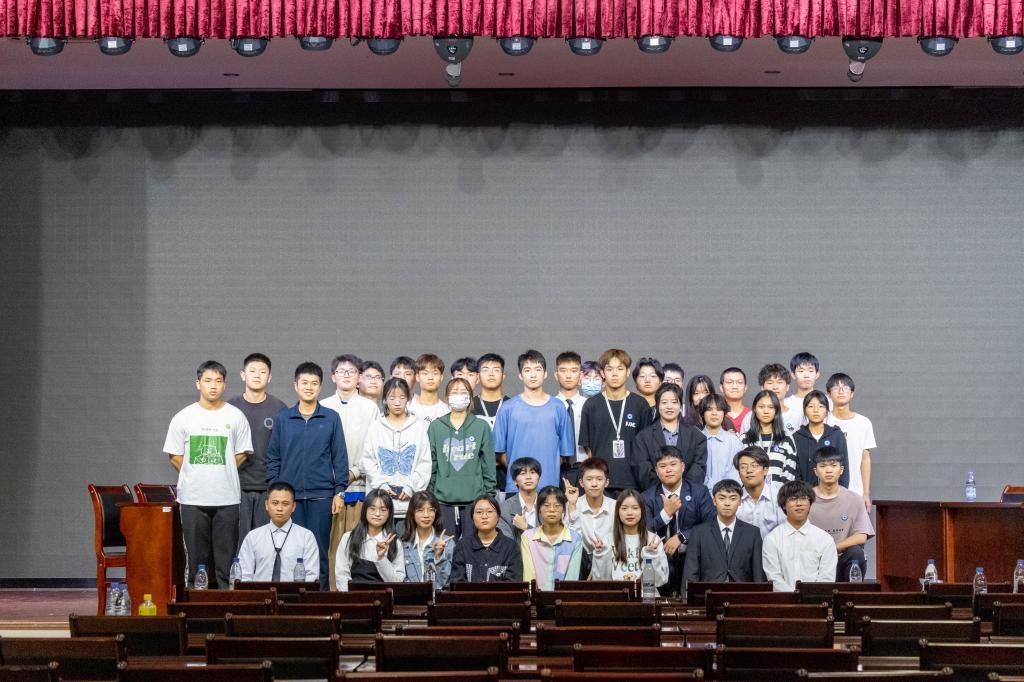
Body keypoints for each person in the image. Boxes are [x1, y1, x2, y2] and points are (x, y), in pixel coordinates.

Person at [164, 361, 253, 588]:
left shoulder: (236, 416)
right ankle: (196, 604)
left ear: (225, 385)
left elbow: (242, 452)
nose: (213, 386)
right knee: (196, 562)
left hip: (227, 498)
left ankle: (225, 603)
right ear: (198, 383)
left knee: (226, 561)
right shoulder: (183, 417)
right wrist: (197, 473)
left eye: (218, 381)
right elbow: (174, 455)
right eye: (208, 380)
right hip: (193, 499)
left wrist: (221, 470)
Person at [266, 362, 348, 588]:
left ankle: (319, 601)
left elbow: (340, 458)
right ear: (295, 386)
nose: (309, 387)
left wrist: (339, 491)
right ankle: (292, 600)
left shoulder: (331, 418)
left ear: (320, 387)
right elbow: (273, 458)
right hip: (289, 499)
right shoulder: (283, 419)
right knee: (290, 551)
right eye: (304, 383)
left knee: (319, 552)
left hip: (321, 497)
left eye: (314, 383)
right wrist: (275, 490)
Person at [322, 354, 383, 590]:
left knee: (357, 547)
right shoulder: (324, 406)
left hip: (359, 487)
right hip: (329, 489)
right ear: (332, 376)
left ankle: (356, 596)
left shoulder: (370, 408)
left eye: (352, 371)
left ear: (359, 377)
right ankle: (331, 595)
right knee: (331, 547)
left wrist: (355, 472)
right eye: (341, 371)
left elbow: (375, 449)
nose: (346, 375)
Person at [493, 350, 575, 492]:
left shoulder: (558, 407)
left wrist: (549, 469)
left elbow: (564, 453)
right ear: (520, 375)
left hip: (549, 488)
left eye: (538, 369)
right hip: (516, 488)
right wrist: (518, 472)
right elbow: (498, 452)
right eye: (527, 370)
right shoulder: (508, 408)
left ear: (545, 374)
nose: (533, 375)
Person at [228, 353, 287, 546]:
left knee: (264, 543)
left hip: (267, 486)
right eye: (252, 371)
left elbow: (284, 450)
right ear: (242, 375)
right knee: (237, 542)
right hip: (236, 486)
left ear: (269, 377)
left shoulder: (280, 409)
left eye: (262, 372)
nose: (257, 375)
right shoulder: (230, 408)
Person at [428, 378, 497, 540]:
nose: (459, 396)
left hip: (475, 501)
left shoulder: (481, 426)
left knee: (474, 546)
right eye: (454, 392)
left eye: (463, 392)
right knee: (446, 547)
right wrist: (431, 496)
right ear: (447, 397)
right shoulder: (436, 427)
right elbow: (432, 464)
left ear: (470, 397)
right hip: (442, 501)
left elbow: (488, 465)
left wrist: (488, 496)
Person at [641, 446, 715, 596]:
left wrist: (682, 536)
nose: (668, 469)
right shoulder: (647, 497)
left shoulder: (699, 492)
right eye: (663, 466)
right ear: (657, 471)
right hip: (660, 557)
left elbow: (710, 524)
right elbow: (645, 530)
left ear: (682, 467)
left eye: (673, 464)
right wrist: (665, 514)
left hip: (691, 556)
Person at [361, 377, 431, 535]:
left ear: (408, 399)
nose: (397, 402)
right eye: (392, 398)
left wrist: (411, 487)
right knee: (381, 544)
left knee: (408, 545)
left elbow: (424, 463)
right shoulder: (375, 427)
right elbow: (368, 460)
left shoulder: (418, 427)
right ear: (385, 400)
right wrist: (382, 485)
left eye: (402, 397)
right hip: (381, 505)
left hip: (410, 505)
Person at [579, 348, 653, 495]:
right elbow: (588, 448)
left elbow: (646, 446)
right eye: (609, 369)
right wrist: (597, 476)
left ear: (627, 372)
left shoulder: (640, 405)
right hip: (601, 483)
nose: (614, 373)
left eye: (620, 368)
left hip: (634, 482)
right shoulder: (591, 405)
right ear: (602, 373)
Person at [682, 479, 765, 588]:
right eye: (722, 498)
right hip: (708, 593)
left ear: (740, 502)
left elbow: (758, 573)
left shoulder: (752, 533)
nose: (727, 503)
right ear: (714, 501)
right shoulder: (699, 532)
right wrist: (687, 596)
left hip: (742, 593)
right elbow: (690, 572)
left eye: (733, 498)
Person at [808, 447, 874, 582]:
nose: (828, 470)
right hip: (814, 559)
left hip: (842, 558)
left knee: (856, 552)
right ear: (816, 471)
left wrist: (831, 549)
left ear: (841, 470)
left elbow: (861, 536)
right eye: (823, 466)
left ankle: (851, 593)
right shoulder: (806, 500)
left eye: (833, 465)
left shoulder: (854, 499)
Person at [761, 480, 838, 591]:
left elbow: (826, 578)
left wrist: (809, 597)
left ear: (810, 503)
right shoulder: (772, 539)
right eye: (793, 499)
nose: (799, 504)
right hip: (783, 599)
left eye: (803, 498)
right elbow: (774, 578)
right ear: (783, 505)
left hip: (817, 599)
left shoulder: (825, 539)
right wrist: (793, 597)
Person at [237, 481, 319, 582]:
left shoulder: (306, 537)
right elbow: (244, 574)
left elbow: (311, 576)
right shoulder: (253, 536)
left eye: (285, 504)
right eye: (275, 503)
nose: (279, 508)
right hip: (261, 591)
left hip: (295, 592)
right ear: (266, 505)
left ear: (293, 507)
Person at [633, 383, 707, 490]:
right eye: (664, 402)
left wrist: (681, 491)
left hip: (688, 495)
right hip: (655, 495)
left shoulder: (696, 436)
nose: (669, 407)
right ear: (657, 405)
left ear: (680, 405)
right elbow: (642, 470)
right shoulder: (643, 437)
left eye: (674, 402)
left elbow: (698, 468)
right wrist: (663, 491)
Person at [590, 489, 668, 586]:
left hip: (645, 593)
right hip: (617, 593)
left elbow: (660, 581)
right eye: (624, 508)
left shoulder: (653, 540)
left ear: (642, 511)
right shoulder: (606, 540)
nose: (630, 513)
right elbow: (600, 581)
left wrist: (652, 555)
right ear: (617, 511)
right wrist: (601, 554)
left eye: (635, 508)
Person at [335, 489, 404, 590]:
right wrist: (350, 597)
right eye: (372, 509)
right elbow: (342, 575)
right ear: (365, 511)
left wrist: (381, 558)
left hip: (383, 597)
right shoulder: (348, 538)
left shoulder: (395, 543)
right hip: (353, 596)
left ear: (389, 513)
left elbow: (397, 582)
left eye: (383, 510)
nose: (377, 514)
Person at [826, 373, 877, 510]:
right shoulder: (823, 421)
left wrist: (866, 493)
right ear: (829, 394)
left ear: (852, 393)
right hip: (826, 490)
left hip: (855, 491)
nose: (841, 391)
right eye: (836, 387)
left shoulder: (863, 422)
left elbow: (865, 459)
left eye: (845, 387)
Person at [520, 486, 585, 590]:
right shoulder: (528, 537)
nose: (551, 510)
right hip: (536, 597)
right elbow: (529, 575)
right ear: (539, 509)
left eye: (557, 506)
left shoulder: (575, 539)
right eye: (546, 505)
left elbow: (572, 577)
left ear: (563, 509)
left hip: (564, 598)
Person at [451, 495, 524, 582]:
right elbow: (457, 583)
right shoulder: (462, 546)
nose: (484, 516)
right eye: (479, 512)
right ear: (472, 517)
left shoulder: (511, 547)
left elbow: (514, 583)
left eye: (489, 511)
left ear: (498, 516)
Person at [793, 390, 850, 487]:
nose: (816, 410)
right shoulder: (797, 437)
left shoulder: (837, 435)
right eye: (811, 406)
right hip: (805, 493)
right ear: (805, 411)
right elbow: (795, 472)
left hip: (833, 492)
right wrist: (802, 493)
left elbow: (844, 467)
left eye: (821, 406)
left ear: (827, 411)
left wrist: (841, 492)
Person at [741, 390, 799, 483]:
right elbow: (740, 472)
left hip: (780, 491)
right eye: (761, 407)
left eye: (771, 407)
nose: (766, 411)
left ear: (776, 410)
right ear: (754, 409)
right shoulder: (744, 439)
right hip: (750, 491)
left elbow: (790, 473)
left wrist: (780, 491)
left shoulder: (787, 439)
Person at [401, 490, 454, 590]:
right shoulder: (403, 544)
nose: (426, 515)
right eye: (420, 510)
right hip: (411, 597)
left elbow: (444, 583)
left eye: (431, 510)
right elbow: (400, 580)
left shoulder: (448, 543)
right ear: (412, 513)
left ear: (436, 512)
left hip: (439, 597)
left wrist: (438, 557)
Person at [473, 352, 509, 491]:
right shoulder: (469, 407)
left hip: (508, 474)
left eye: (496, 369)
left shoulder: (513, 405)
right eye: (485, 370)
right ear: (477, 376)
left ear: (503, 376)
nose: (491, 374)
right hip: (477, 477)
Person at [566, 457, 616, 556]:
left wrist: (606, 545)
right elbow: (568, 540)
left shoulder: (616, 506)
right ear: (581, 483)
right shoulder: (571, 504)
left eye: (599, 479)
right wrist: (572, 505)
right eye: (589, 479)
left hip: (609, 558)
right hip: (579, 559)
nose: (594, 484)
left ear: (606, 482)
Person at [734, 446, 785, 539]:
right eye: (743, 467)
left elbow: (787, 531)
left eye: (754, 466)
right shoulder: (733, 499)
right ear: (739, 473)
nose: (749, 470)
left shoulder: (779, 497)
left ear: (765, 470)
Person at [555, 351, 587, 485]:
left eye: (574, 371)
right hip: (556, 468)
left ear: (581, 375)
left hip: (585, 469)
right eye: (563, 371)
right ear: (556, 375)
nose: (568, 376)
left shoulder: (590, 405)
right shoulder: (549, 406)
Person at [742, 364, 801, 437]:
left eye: (779, 382)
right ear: (762, 387)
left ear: (787, 387)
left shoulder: (797, 417)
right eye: (770, 383)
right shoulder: (750, 417)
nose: (775, 387)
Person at [701, 394, 742, 490]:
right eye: (709, 409)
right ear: (702, 413)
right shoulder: (695, 439)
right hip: (701, 494)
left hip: (728, 493)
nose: (714, 413)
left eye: (719, 409)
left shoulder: (734, 441)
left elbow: (737, 471)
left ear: (724, 413)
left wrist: (723, 492)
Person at [498, 457, 542, 539]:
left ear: (539, 478)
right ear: (515, 480)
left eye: (532, 472)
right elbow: (507, 542)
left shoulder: (548, 504)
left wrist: (526, 527)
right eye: (523, 473)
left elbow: (552, 537)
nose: (528, 477)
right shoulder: (505, 508)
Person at [409, 354, 450, 424]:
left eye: (435, 373)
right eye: (425, 373)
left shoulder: (447, 411)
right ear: (417, 377)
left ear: (441, 378)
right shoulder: (407, 408)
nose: (430, 377)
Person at [785, 352, 825, 416]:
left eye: (811, 371)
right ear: (793, 375)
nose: (806, 376)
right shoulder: (785, 404)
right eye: (801, 371)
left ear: (817, 374)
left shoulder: (826, 402)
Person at [720, 367, 750, 436]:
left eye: (739, 382)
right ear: (721, 387)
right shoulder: (714, 415)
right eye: (729, 382)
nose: (735, 387)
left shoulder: (753, 416)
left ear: (745, 387)